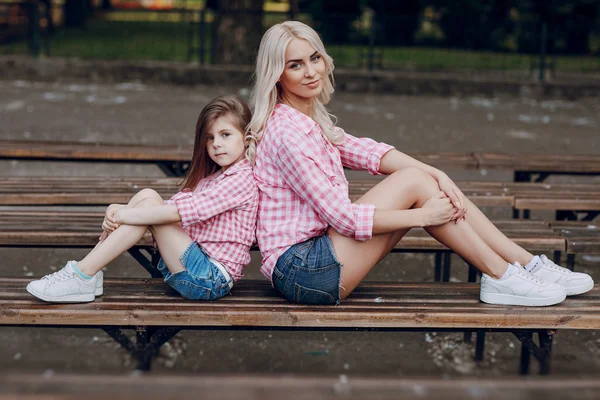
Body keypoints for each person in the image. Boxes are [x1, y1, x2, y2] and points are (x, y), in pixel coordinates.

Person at [247, 20, 593, 307]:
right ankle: (504, 275)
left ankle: (523, 266)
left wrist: (437, 173)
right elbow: (344, 218)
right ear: (277, 74)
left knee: (421, 179)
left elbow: (365, 151)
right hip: (303, 272)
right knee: (416, 183)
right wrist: (423, 217)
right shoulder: (287, 134)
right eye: (295, 65)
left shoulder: (307, 119)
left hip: (319, 255)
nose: (311, 72)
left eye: (314, 58)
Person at [27, 96, 258, 303]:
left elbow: (179, 213)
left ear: (246, 138)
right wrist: (120, 208)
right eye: (209, 138)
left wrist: (125, 214)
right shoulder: (216, 177)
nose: (216, 143)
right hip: (197, 266)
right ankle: (88, 272)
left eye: (225, 135)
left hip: (210, 278)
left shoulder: (241, 178)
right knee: (147, 195)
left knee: (147, 206)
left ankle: (83, 274)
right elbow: (168, 207)